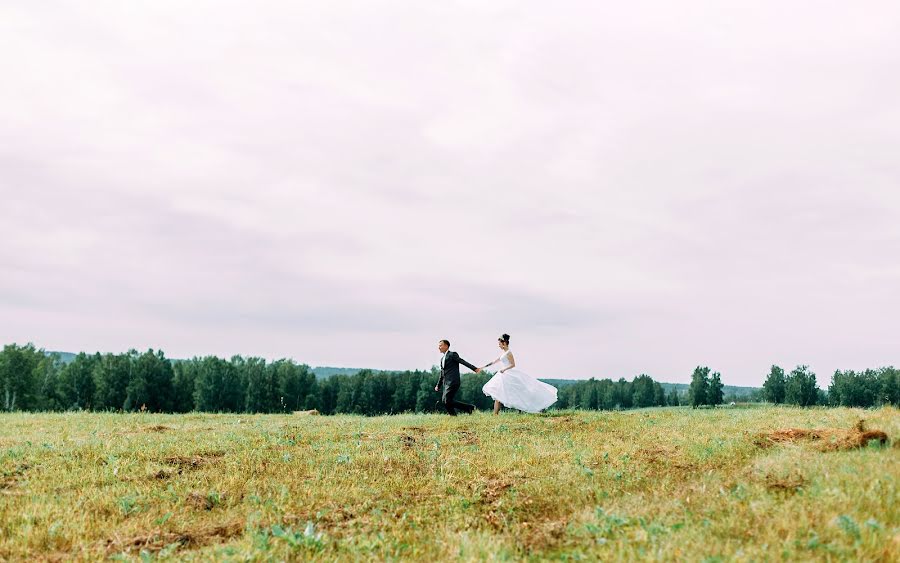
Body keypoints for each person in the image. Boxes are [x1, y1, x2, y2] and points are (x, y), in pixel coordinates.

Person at [481, 333, 557, 415]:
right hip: (503, 375)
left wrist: (504, 369)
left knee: (518, 393)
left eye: (499, 344)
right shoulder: (503, 354)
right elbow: (494, 362)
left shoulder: (509, 353)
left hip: (508, 374)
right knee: (498, 394)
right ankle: (495, 414)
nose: (498, 346)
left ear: (504, 343)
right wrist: (482, 367)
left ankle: (536, 407)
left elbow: (513, 364)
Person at [434, 339, 481, 415]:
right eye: (438, 346)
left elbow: (462, 361)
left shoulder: (452, 354)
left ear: (446, 346)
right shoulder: (442, 359)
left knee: (447, 400)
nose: (439, 347)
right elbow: (442, 373)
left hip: (453, 381)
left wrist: (474, 368)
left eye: (440, 345)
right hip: (446, 383)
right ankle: (467, 409)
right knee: (445, 401)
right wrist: (438, 385)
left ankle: (463, 411)